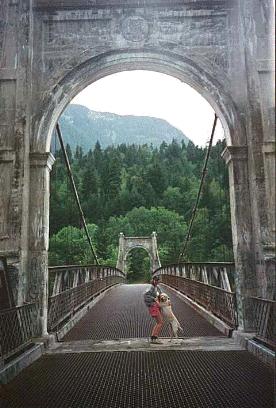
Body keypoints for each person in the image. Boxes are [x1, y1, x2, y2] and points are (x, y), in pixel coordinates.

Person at [144, 275, 164, 344]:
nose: (157, 282)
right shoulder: (151, 287)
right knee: (160, 322)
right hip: (153, 306)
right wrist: (154, 299)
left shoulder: (157, 287)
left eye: (158, 280)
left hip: (156, 306)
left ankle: (153, 338)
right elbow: (145, 296)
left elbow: (161, 295)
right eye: (156, 280)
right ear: (153, 280)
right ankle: (154, 339)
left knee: (159, 322)